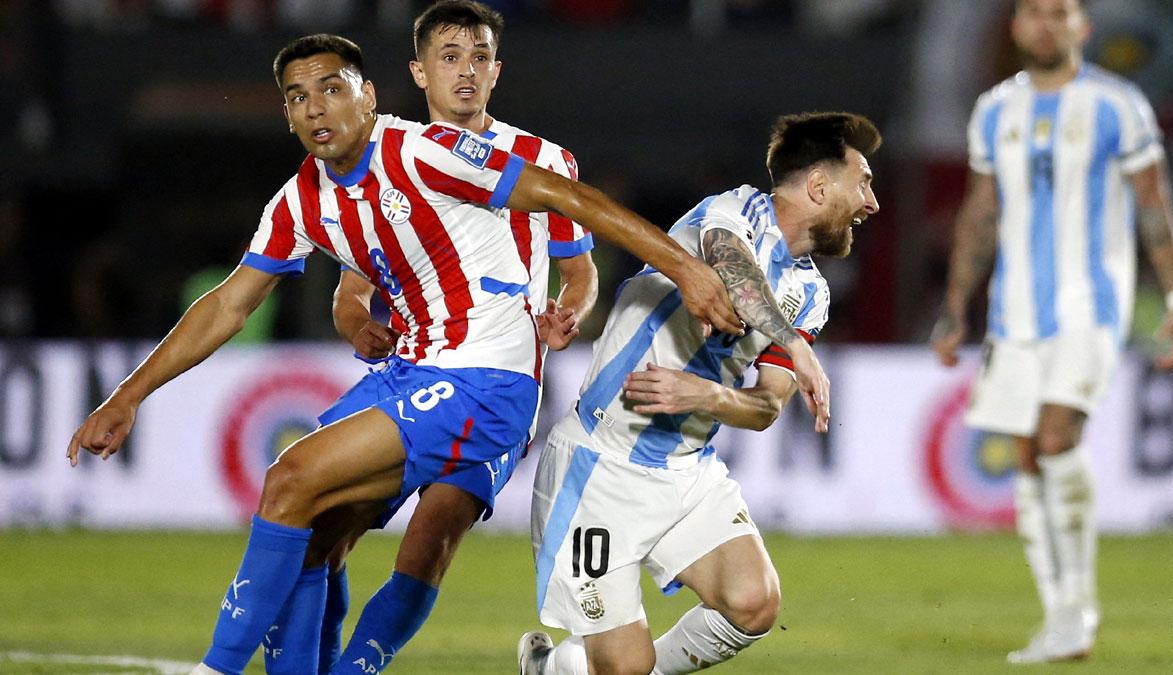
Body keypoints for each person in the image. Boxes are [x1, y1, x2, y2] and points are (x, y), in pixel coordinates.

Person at [66, 33, 741, 675]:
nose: (316, 107)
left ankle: (216, 666)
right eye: (299, 97)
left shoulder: (422, 152)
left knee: (294, 479)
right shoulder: (302, 198)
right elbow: (227, 303)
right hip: (412, 370)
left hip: (487, 379)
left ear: (369, 95)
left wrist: (685, 270)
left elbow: (564, 196)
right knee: (315, 523)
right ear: (288, 115)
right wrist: (127, 395)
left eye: (332, 89)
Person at [261, 3, 599, 672]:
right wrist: (363, 328)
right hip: (412, 373)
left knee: (433, 533)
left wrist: (569, 311)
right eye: (450, 56)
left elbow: (580, 272)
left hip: (496, 379)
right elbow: (350, 294)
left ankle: (357, 668)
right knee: (327, 529)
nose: (465, 70)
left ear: (496, 71)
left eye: (479, 56)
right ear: (419, 72)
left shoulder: (543, 159)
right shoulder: (391, 158)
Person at [518, 111, 880, 675]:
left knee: (754, 603)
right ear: (817, 185)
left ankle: (564, 670)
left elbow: (765, 408)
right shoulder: (731, 214)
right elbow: (735, 276)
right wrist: (796, 344)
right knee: (624, 668)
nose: (872, 203)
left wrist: (704, 397)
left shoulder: (810, 292)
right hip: (600, 467)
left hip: (687, 471)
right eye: (863, 182)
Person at [930, 0, 1173, 664]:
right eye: (1034, 13)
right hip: (1015, 315)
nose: (1046, 25)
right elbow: (980, 211)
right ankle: (1058, 615)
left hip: (1092, 304)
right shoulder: (995, 109)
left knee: (1055, 436)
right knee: (1026, 458)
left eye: (1059, 12)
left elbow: (1153, 203)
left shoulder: (1118, 104)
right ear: (1016, 26)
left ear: (1083, 26)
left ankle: (1079, 607)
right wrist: (957, 303)